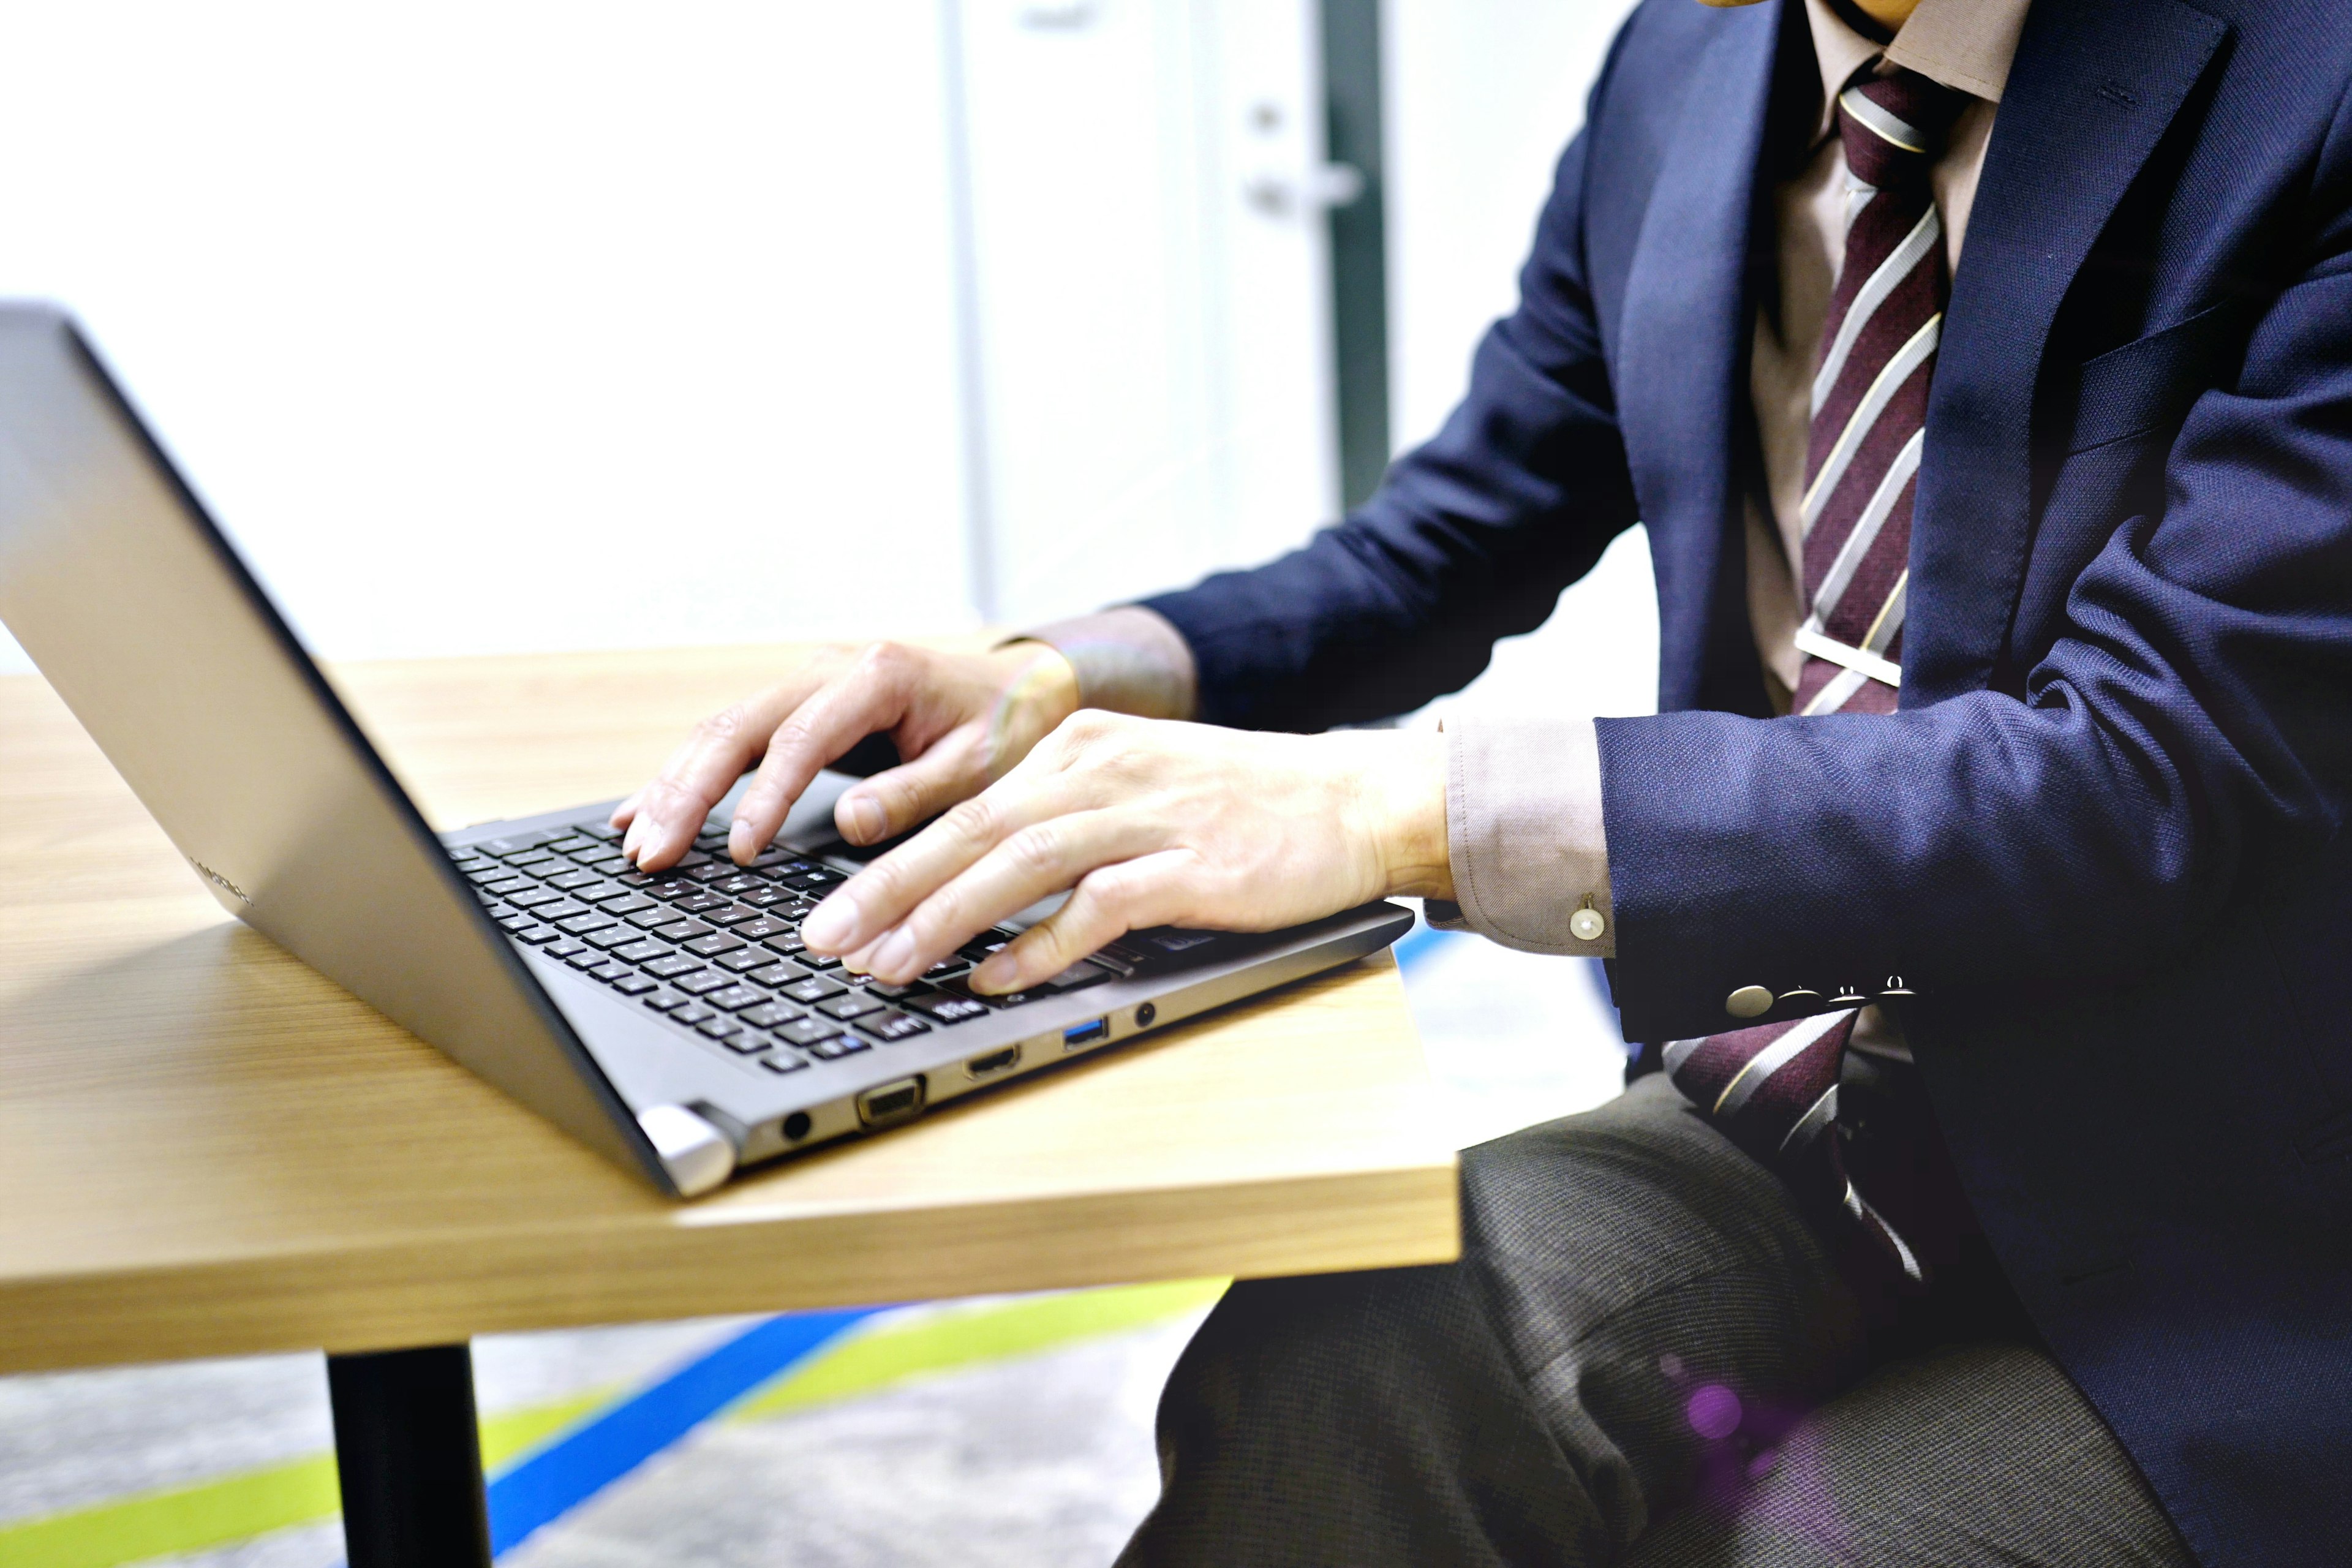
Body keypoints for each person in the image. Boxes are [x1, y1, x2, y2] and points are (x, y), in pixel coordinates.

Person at [614, 0, 2352, 1559]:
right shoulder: (1691, 65)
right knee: (1330, 1371)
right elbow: (1448, 540)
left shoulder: (2311, 78)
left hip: (2224, 1212)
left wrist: (1408, 812)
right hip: (1807, 1103)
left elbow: (2142, 774)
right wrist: (1062, 673)